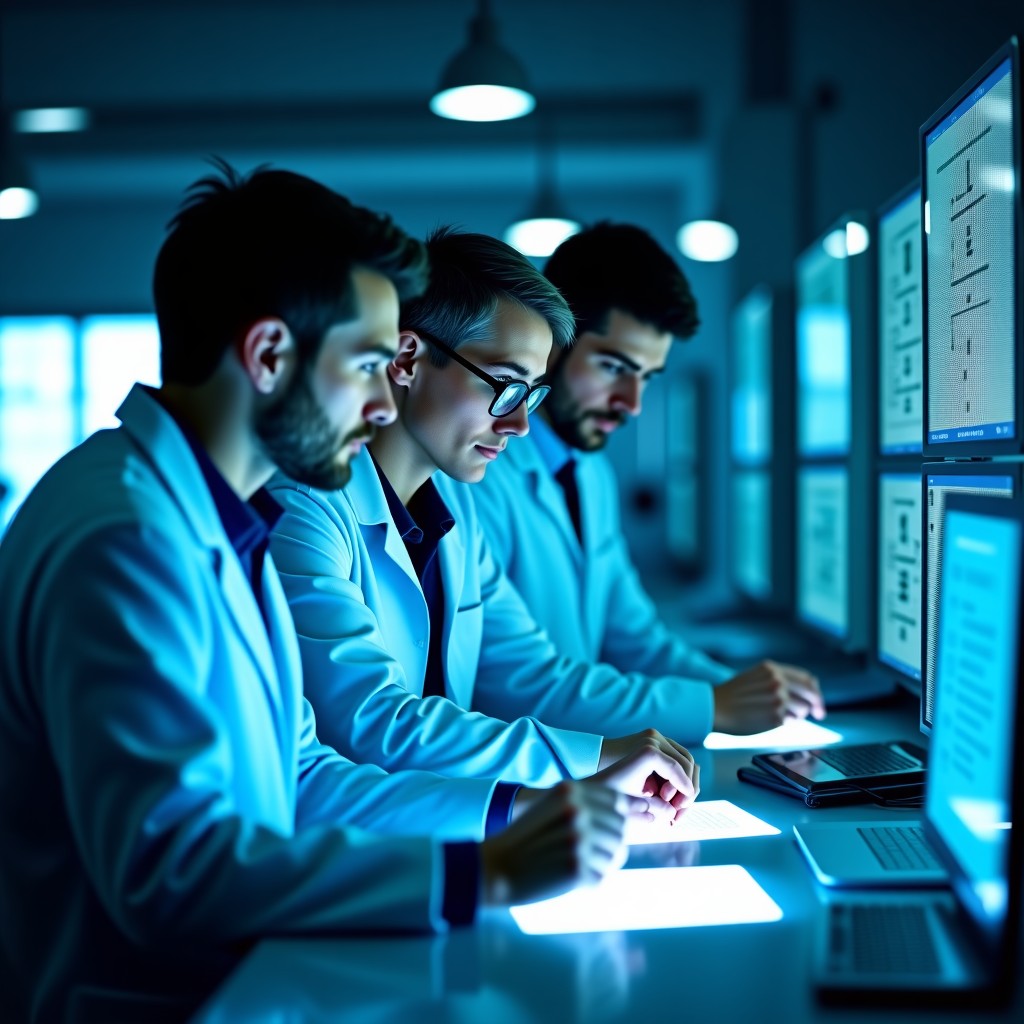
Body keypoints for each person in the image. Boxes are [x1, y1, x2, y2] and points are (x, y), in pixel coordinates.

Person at [0, 170, 698, 1023]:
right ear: (268, 356)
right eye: (369, 364)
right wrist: (485, 873)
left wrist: (518, 813)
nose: (380, 404)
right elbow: (169, 873)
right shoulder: (128, 537)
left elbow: (304, 779)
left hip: (257, 978)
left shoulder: (219, 516)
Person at [268, 226, 734, 790]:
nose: (519, 424)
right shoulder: (305, 508)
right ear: (409, 358)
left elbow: (523, 668)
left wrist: (603, 757)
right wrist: (595, 758)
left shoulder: (456, 510)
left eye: (532, 394)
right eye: (506, 386)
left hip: (447, 816)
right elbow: (372, 722)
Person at [472, 222, 826, 736]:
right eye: (614, 367)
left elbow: (636, 641)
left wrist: (745, 693)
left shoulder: (590, 474)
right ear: (553, 343)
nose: (631, 404)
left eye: (646, 377)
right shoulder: (479, 471)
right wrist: (715, 706)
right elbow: (516, 684)